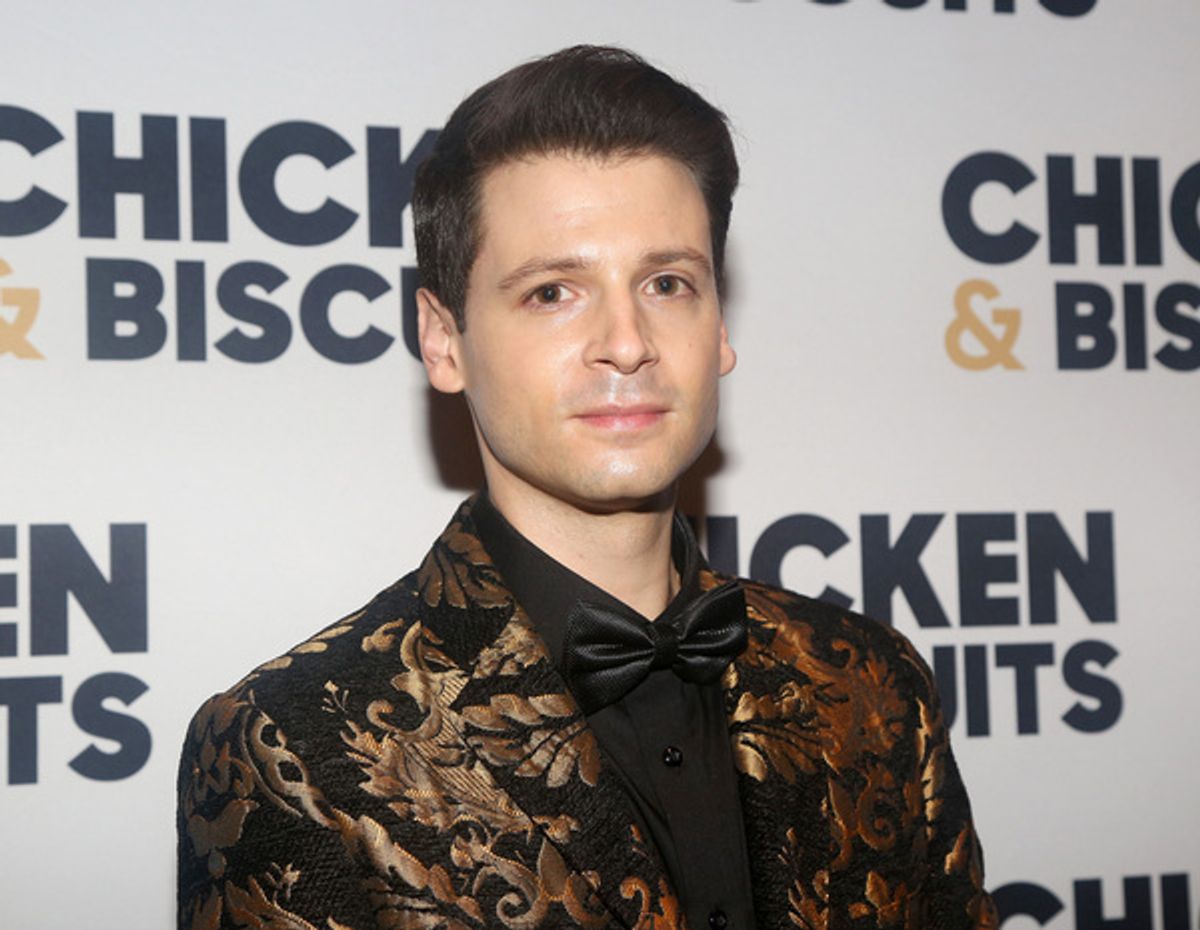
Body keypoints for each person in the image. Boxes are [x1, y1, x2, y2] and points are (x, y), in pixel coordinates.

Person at [177, 46, 996, 930]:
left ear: (720, 325)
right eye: (553, 292)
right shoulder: (292, 743)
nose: (627, 340)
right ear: (443, 339)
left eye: (668, 283)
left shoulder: (873, 685)